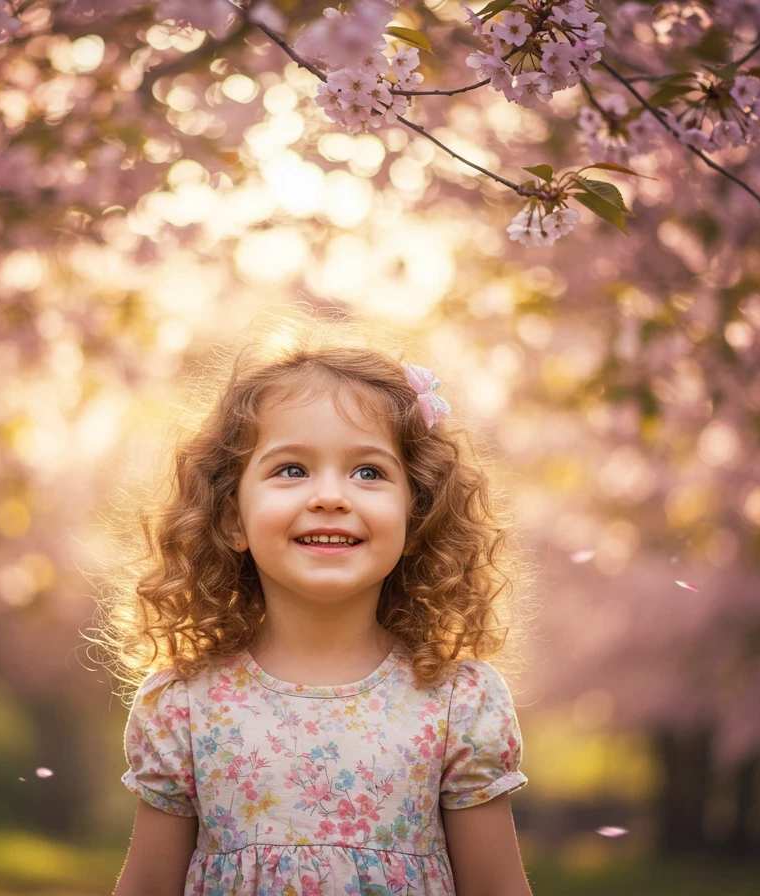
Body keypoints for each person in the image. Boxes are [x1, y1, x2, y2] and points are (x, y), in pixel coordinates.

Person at [90, 313, 539, 895]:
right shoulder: (186, 705)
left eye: (368, 471)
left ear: (416, 513)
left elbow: (498, 888)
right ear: (231, 517)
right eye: (292, 469)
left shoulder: (457, 703)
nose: (330, 496)